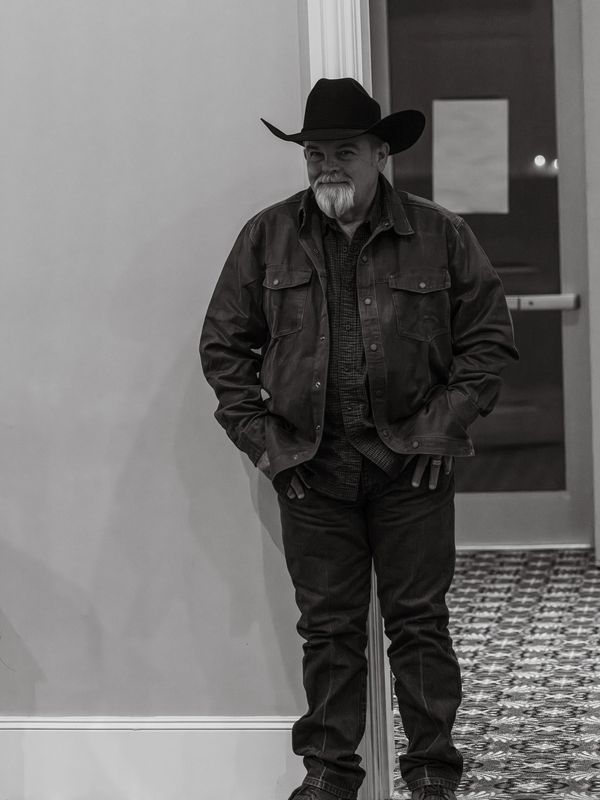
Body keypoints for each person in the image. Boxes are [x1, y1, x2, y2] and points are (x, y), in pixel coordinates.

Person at [200, 78, 518, 800]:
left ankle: (434, 772)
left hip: (414, 471)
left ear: (381, 153)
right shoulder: (266, 236)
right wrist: (271, 450)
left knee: (419, 628)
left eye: (343, 151)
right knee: (331, 633)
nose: (326, 166)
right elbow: (223, 349)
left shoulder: (440, 234)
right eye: (314, 153)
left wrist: (439, 434)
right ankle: (330, 777)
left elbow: (488, 344)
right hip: (311, 471)